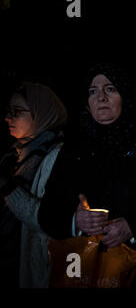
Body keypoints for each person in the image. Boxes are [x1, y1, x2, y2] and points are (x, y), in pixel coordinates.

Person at [73, 63, 136, 288]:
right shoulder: (74, 146)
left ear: (125, 95)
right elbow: (48, 211)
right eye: (93, 91)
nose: (101, 97)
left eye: (110, 89)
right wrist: (75, 220)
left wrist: (134, 227)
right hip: (83, 268)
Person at [0, 82, 79, 288]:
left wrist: (8, 189)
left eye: (17, 112)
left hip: (38, 264)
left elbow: (50, 219)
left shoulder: (57, 157)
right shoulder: (14, 155)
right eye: (8, 111)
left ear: (42, 112)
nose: (8, 118)